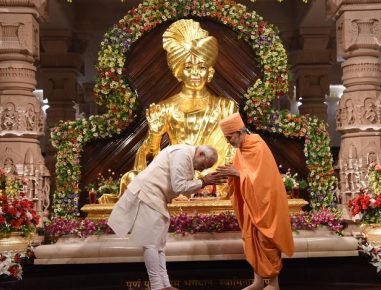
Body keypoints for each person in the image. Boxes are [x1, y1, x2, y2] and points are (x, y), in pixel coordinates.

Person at [113, 19, 238, 200]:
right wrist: (155, 134)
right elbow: (150, 159)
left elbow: (234, 147)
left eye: (201, 67)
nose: (195, 73)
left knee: (239, 178)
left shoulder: (227, 106)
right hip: (177, 176)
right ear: (179, 72)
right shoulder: (164, 108)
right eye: (188, 67)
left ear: (210, 72)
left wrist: (217, 172)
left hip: (216, 177)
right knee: (133, 178)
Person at [107, 144, 225, 290]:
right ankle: (157, 286)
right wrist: (204, 181)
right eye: (204, 165)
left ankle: (165, 285)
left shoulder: (188, 157)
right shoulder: (182, 154)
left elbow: (186, 190)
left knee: (159, 245)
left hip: (157, 198)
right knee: (150, 243)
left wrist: (202, 182)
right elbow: (179, 187)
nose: (202, 170)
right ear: (200, 154)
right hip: (148, 194)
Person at [216, 113, 294, 290]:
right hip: (250, 204)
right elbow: (241, 174)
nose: (229, 142)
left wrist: (237, 174)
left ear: (239, 132)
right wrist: (230, 175)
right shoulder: (241, 150)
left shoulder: (257, 146)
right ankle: (258, 282)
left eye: (230, 137)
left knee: (266, 240)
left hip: (265, 203)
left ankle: (274, 283)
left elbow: (263, 181)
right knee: (251, 240)